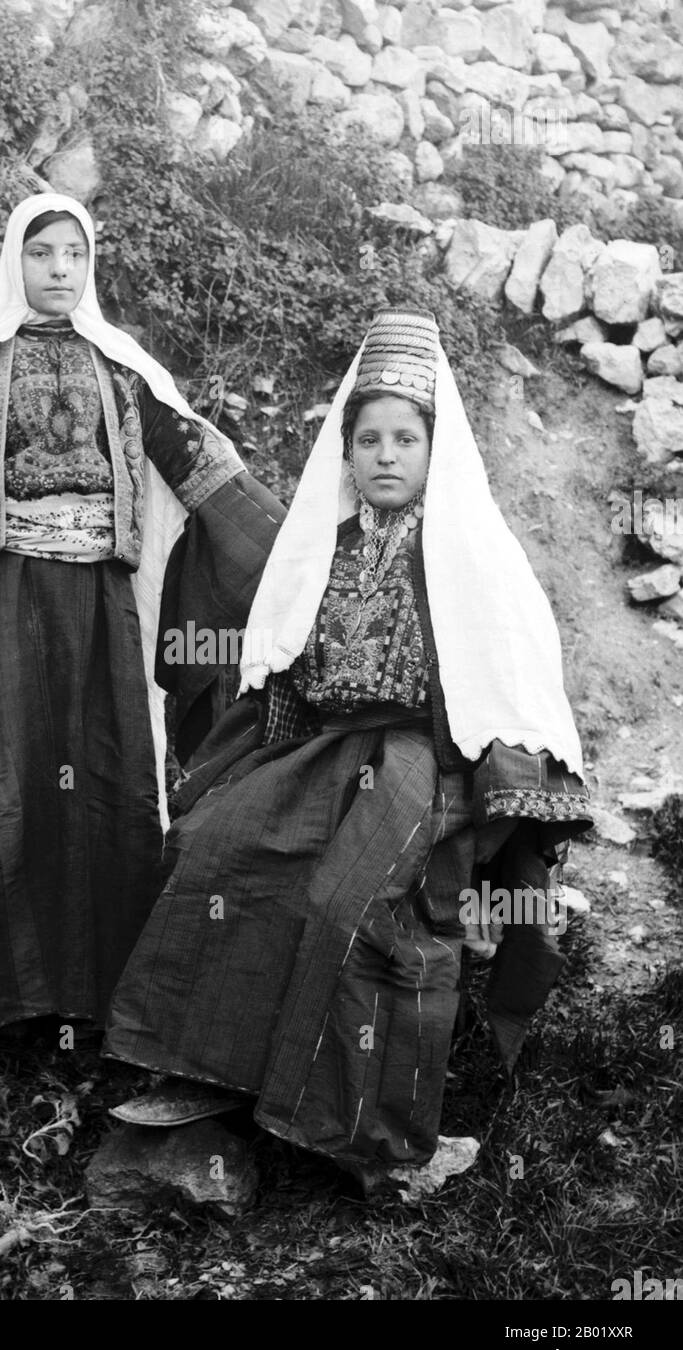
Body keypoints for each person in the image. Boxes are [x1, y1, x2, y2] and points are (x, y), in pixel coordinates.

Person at [102, 308, 593, 1191]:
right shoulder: (319, 551)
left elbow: (508, 681)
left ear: (434, 450)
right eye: (367, 439)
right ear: (346, 452)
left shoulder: (469, 554)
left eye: (406, 437)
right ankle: (205, 1072)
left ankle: (378, 1139)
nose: (386, 454)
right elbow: (282, 662)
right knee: (217, 846)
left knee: (352, 903)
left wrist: (500, 801)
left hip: (425, 759)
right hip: (329, 748)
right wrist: (246, 772)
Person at [0, 193, 284, 1045]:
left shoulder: (121, 371)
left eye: (74, 255)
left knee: (103, 784)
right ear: (14, 263)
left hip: (96, 612)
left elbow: (200, 466)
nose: (59, 270)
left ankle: (93, 999)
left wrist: (297, 553)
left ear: (91, 267)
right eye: (42, 253)